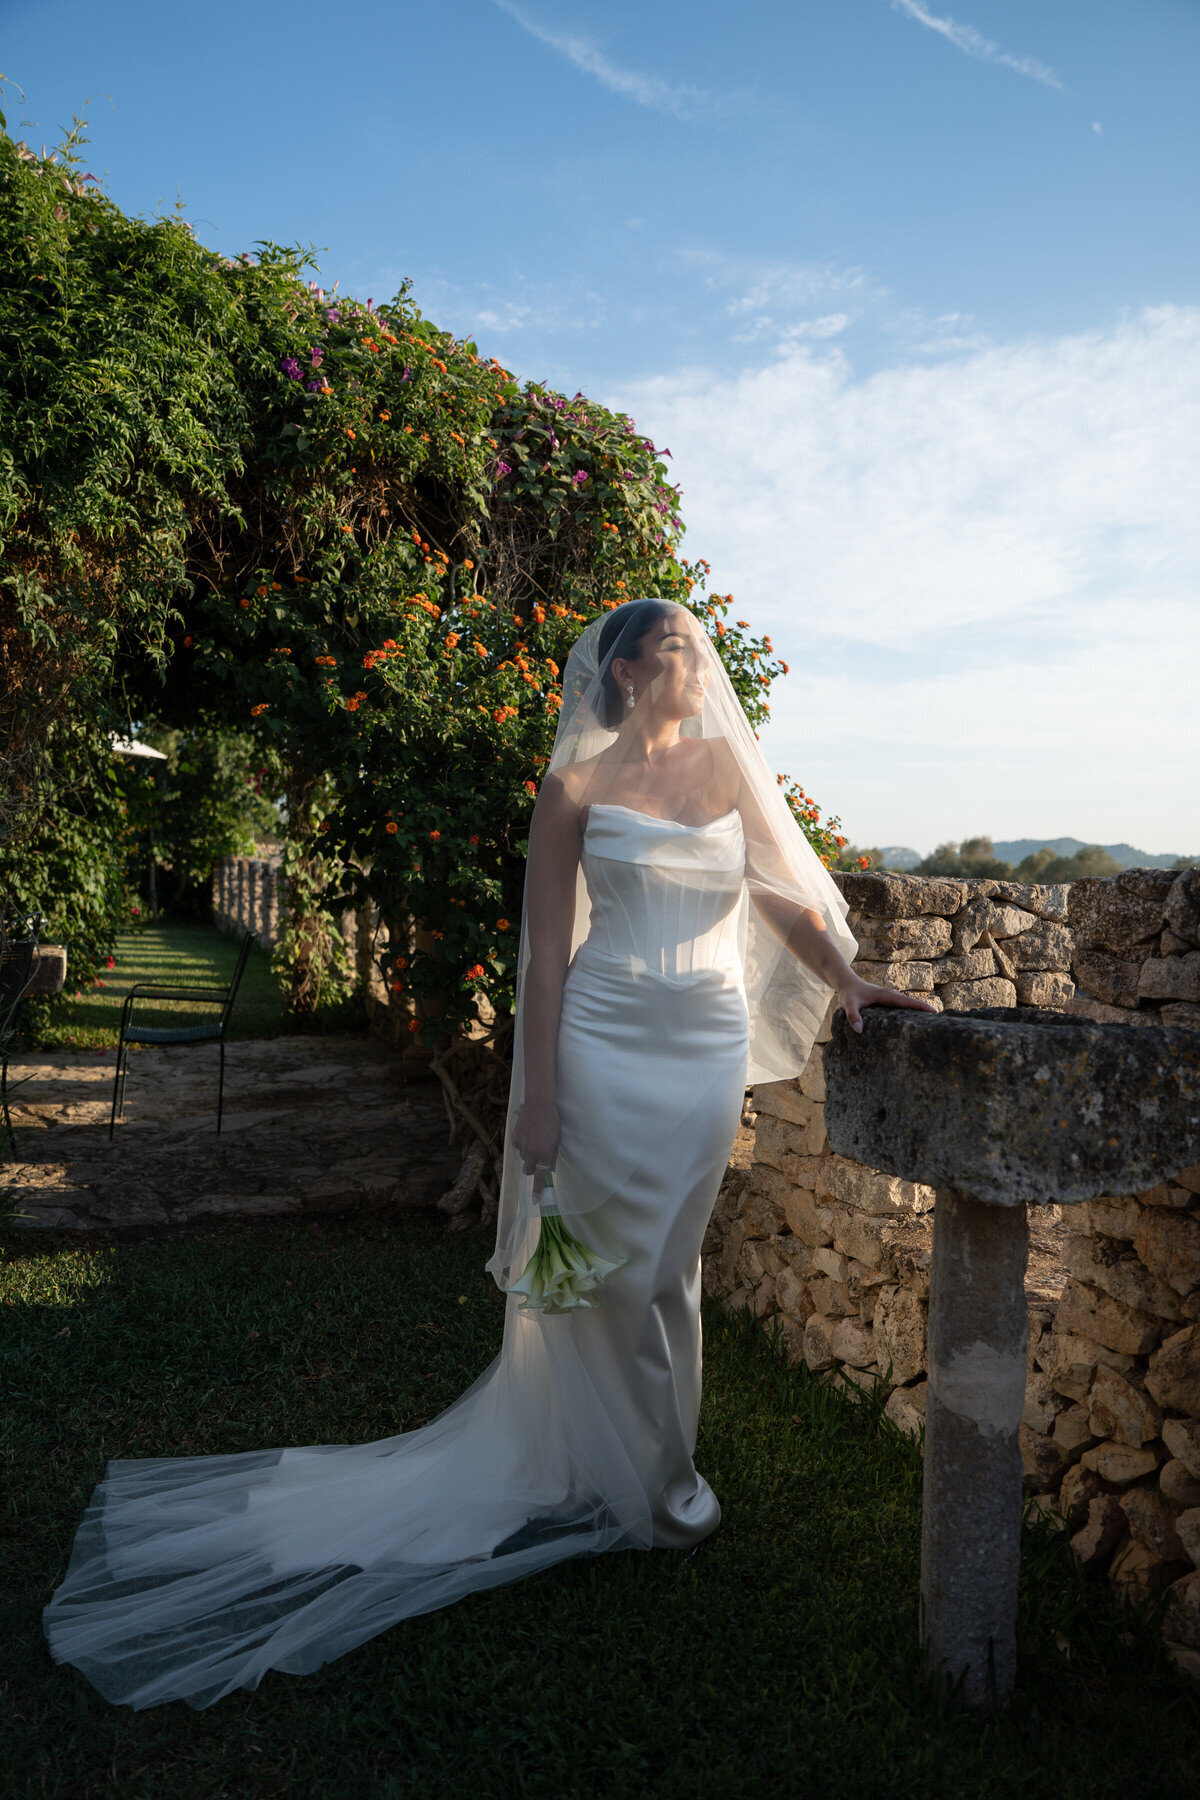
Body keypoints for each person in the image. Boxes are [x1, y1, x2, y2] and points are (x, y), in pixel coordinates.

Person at [44, 599, 930, 1710]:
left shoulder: (721, 768)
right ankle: (650, 1489)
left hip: (702, 1046)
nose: (696, 664)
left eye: (697, 649)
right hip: (603, 1041)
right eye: (674, 650)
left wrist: (849, 979)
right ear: (620, 675)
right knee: (614, 1271)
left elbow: (776, 892)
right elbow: (547, 966)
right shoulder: (572, 793)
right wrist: (540, 1101)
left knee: (670, 1267)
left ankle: (634, 1466)